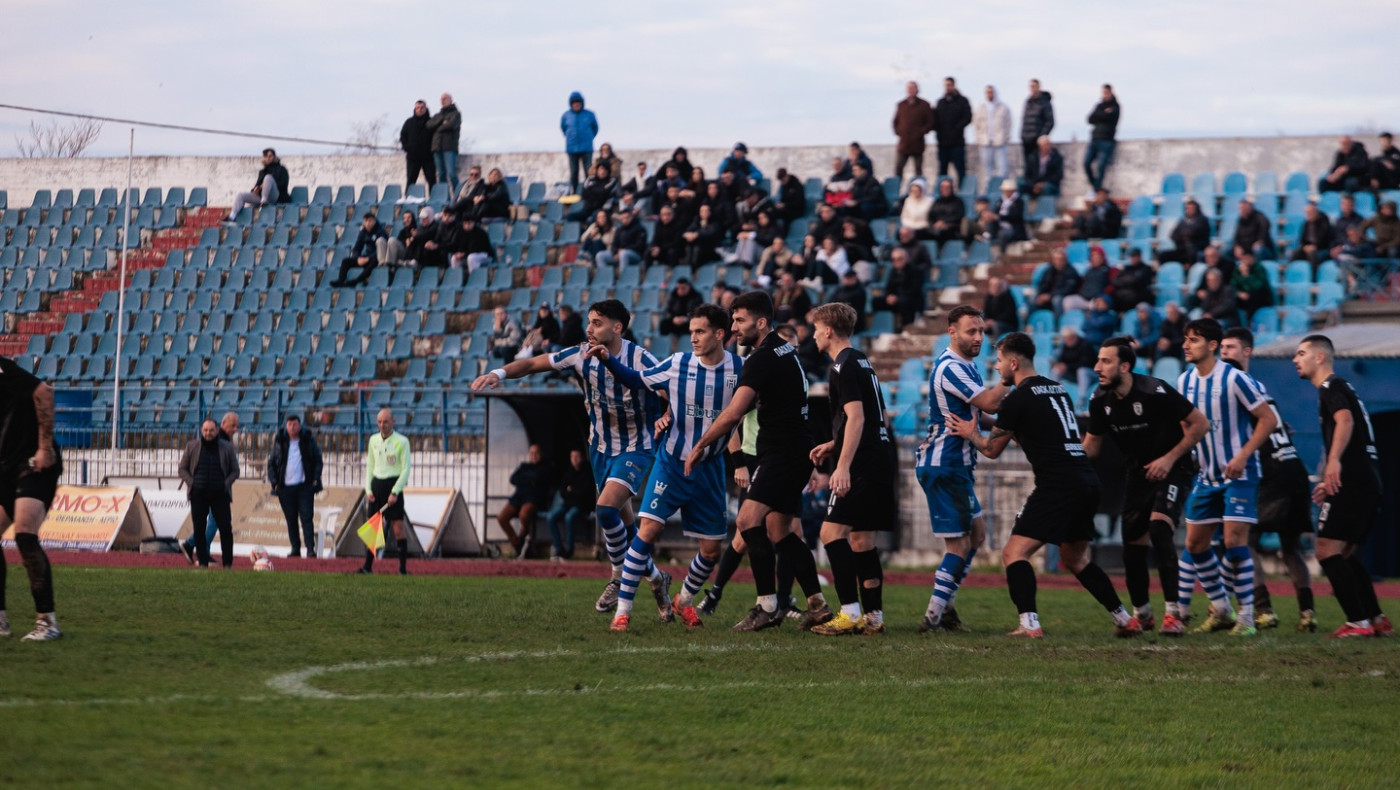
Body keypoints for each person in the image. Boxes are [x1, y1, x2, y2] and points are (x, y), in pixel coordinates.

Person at [471, 300, 670, 614]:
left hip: (636, 447)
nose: (589, 328)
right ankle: (658, 578)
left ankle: (618, 578)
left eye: (598, 323)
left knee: (605, 510)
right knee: (627, 527)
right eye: (589, 322)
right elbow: (535, 364)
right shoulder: (580, 354)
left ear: (617, 328)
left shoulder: (641, 359)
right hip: (601, 447)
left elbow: (668, 389)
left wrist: (667, 414)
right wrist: (499, 372)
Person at [948, 332, 1140, 638]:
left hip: (1058, 483)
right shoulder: (1057, 389)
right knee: (1074, 558)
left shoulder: (1017, 398)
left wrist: (970, 432)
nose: (997, 368)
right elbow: (1032, 431)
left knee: (1014, 553)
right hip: (1087, 480)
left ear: (1013, 362)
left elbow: (991, 450)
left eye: (999, 361)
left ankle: (1029, 623)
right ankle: (1124, 618)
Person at [589, 304, 744, 631]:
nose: (694, 338)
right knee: (648, 531)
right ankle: (623, 612)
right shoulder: (678, 363)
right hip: (671, 462)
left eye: (700, 332)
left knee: (712, 550)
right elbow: (636, 378)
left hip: (710, 468)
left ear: (720, 334)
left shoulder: (741, 370)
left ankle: (684, 599)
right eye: (691, 332)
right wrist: (608, 360)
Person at [685, 291, 832, 632]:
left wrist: (701, 445)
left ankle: (765, 605)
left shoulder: (763, 357)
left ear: (761, 322)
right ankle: (817, 603)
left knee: (748, 522)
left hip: (781, 453)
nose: (734, 328)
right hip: (793, 451)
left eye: (739, 320)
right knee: (780, 531)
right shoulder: (784, 349)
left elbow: (735, 412)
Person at [1085, 338, 1209, 635]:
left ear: (1125, 366)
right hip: (1138, 476)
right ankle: (1142, 614)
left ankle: (1174, 615)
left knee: (1160, 529)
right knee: (1132, 549)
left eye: (1105, 361)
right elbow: (1090, 447)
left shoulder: (1155, 391)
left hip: (1174, 469)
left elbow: (1201, 424)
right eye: (1098, 360)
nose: (1097, 367)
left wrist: (1168, 459)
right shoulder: (1100, 401)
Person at [1175, 318, 1277, 636]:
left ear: (1212, 345)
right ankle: (1221, 608)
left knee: (1234, 541)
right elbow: (1185, 420)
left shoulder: (1234, 379)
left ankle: (1247, 617)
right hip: (1207, 475)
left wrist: (1243, 454)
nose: (1185, 345)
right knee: (1195, 543)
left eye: (1192, 340)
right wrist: (1192, 450)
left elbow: (1268, 419)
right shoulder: (1184, 382)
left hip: (1241, 474)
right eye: (1185, 339)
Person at [915, 306, 1011, 632]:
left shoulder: (967, 367)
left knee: (977, 535)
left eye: (981, 331)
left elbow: (982, 414)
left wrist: (1009, 426)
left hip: (956, 464)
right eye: (971, 331)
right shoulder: (950, 367)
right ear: (951, 331)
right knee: (958, 545)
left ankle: (947, 607)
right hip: (945, 463)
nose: (978, 337)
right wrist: (1011, 377)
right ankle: (933, 616)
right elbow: (990, 402)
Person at [1293, 334, 1391, 638]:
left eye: (1301, 353)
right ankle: (1375, 619)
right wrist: (1330, 474)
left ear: (1320, 357)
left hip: (1354, 480)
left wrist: (1334, 463)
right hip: (1367, 480)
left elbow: (1345, 421)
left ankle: (1357, 621)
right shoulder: (1344, 387)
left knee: (1325, 550)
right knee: (1345, 552)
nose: (1295, 359)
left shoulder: (1331, 386)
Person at [1219, 329, 1317, 632]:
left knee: (1243, 541)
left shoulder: (1233, 386)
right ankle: (1308, 613)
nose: (1224, 353)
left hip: (1271, 472)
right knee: (1291, 547)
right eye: (1221, 348)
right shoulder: (1259, 387)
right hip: (1293, 467)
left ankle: (1263, 610)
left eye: (1230, 347)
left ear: (1247, 351)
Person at [805, 303, 895, 635]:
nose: (813, 335)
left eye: (816, 328)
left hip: (861, 461)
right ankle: (873, 616)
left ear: (828, 330)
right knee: (862, 540)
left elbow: (857, 417)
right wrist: (835, 443)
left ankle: (849, 613)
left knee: (831, 534)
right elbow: (877, 417)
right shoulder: (862, 361)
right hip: (878, 455)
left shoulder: (842, 366)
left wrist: (841, 465)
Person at [0, 355, 64, 640]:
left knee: (25, 534)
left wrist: (44, 447)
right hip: (5, 466)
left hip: (33, 463)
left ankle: (47, 622)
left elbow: (44, 392)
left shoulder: (2, 368)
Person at [355, 409, 412, 575]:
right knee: (373, 529)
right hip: (376, 486)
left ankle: (402, 570)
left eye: (385, 421)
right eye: (379, 422)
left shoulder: (402, 441)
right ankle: (367, 567)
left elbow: (405, 469)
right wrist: (368, 489)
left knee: (398, 528)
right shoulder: (373, 440)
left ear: (393, 421)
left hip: (393, 485)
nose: (382, 425)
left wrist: (395, 492)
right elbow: (370, 467)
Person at [178, 412, 240, 563]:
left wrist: (225, 485)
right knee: (199, 527)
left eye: (211, 430)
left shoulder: (226, 447)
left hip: (220, 495)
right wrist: (192, 483)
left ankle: (227, 563)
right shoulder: (192, 446)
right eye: (205, 430)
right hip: (198, 494)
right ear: (201, 430)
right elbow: (182, 469)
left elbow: (235, 470)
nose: (208, 433)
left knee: (225, 528)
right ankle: (202, 561)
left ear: (217, 430)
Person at [266, 414, 323, 559]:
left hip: (305, 486)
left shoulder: (308, 440)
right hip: (285, 487)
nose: (292, 427)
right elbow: (271, 463)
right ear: (286, 426)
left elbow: (318, 459)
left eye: (295, 424)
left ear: (300, 425)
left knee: (306, 518)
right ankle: (295, 548)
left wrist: (315, 478)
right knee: (291, 519)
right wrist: (274, 482)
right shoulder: (280, 441)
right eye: (289, 424)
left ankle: (310, 549)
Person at [497, 444, 553, 560]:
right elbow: (513, 479)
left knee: (524, 514)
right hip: (518, 498)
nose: (534, 456)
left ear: (540, 454)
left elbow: (538, 479)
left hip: (533, 499)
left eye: (536, 453)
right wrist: (529, 480)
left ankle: (522, 537)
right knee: (501, 517)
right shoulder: (524, 466)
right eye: (531, 453)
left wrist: (526, 479)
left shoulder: (545, 468)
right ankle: (517, 543)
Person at [546, 449, 594, 562]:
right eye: (572, 457)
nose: (574, 459)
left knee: (569, 517)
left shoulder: (587, 472)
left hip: (582, 506)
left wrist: (571, 490)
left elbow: (584, 492)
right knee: (550, 517)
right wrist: (572, 492)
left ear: (582, 458)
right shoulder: (568, 472)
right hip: (568, 504)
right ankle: (558, 547)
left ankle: (569, 550)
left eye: (577, 457)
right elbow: (563, 491)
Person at [225, 148, 290, 224]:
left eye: (270, 156)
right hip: (261, 196)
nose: (268, 158)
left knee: (268, 178)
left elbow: (283, 184)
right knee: (241, 195)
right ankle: (232, 217)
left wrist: (266, 185)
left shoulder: (282, 169)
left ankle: (264, 200)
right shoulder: (262, 172)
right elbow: (257, 185)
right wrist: (255, 189)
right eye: (266, 156)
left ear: (274, 157)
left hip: (276, 196)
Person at [892, 80, 936, 183]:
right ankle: (897, 190)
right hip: (904, 144)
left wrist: (920, 132)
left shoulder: (924, 105)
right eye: (909, 88)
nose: (911, 91)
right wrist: (899, 132)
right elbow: (895, 121)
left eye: (913, 88)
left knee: (918, 170)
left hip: (918, 144)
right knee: (898, 169)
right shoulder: (901, 105)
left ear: (917, 90)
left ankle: (919, 191)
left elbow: (930, 122)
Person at [330, 213, 389, 288]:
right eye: (366, 221)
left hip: (377, 257)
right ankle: (341, 281)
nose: (368, 223)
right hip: (366, 257)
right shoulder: (363, 232)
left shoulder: (381, 231)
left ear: (374, 221)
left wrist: (369, 258)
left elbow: (384, 248)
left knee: (374, 261)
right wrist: (358, 258)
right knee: (346, 261)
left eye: (370, 221)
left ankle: (357, 281)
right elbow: (357, 248)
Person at [933, 77, 972, 185]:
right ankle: (942, 196)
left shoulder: (963, 101)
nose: (948, 87)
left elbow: (967, 117)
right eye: (946, 85)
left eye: (950, 85)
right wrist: (939, 133)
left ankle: (962, 193)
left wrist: (956, 129)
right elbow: (935, 120)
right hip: (943, 143)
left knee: (960, 171)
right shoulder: (940, 102)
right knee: (942, 171)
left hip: (957, 143)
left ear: (954, 85)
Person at [561, 91, 598, 194]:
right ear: (571, 104)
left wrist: (589, 138)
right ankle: (575, 193)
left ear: (582, 103)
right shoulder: (566, 116)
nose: (576, 104)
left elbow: (595, 128)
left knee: (589, 172)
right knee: (574, 173)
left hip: (586, 148)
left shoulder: (589, 114)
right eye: (574, 102)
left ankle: (589, 192)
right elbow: (564, 129)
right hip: (572, 149)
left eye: (578, 102)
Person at [1084, 84, 1120, 191]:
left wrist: (1099, 116)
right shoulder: (1099, 106)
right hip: (1095, 139)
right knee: (1086, 163)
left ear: (1111, 92)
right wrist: (1103, 114)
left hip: (1107, 140)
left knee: (1101, 167)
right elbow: (1090, 119)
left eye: (1106, 93)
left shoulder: (1115, 106)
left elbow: (1112, 118)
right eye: (1103, 93)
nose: (1104, 95)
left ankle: (1096, 190)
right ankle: (1095, 187)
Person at [973, 84, 1013, 182]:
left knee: (1002, 168)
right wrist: (978, 138)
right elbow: (976, 124)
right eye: (988, 92)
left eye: (991, 92)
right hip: (985, 142)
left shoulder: (1003, 107)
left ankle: (1000, 190)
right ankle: (988, 191)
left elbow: (1008, 123)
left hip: (999, 142)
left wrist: (1006, 137)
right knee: (987, 170)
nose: (990, 94)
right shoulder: (980, 107)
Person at [877, 247, 924, 327]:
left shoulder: (915, 270)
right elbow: (889, 287)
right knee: (877, 301)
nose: (896, 262)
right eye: (893, 259)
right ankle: (884, 325)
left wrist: (897, 297)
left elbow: (914, 289)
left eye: (899, 259)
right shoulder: (893, 271)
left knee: (904, 302)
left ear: (906, 259)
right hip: (896, 299)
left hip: (910, 299)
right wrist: (889, 296)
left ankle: (906, 326)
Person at [426, 93, 462, 197]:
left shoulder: (456, 114)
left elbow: (451, 125)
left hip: (449, 148)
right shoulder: (439, 115)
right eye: (441, 99)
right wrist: (442, 122)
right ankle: (444, 196)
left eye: (445, 98)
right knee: (441, 174)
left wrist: (438, 127)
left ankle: (457, 195)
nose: (443, 100)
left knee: (451, 174)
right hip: (437, 148)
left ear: (451, 100)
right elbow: (429, 125)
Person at [1062, 244, 1116, 312]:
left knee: (1099, 304)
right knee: (1068, 301)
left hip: (1096, 299)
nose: (1094, 258)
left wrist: (1103, 295)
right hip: (1083, 297)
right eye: (1093, 256)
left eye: (1097, 256)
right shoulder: (1088, 270)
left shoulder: (1109, 270)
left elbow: (1112, 285)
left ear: (1102, 258)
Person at [1160, 199, 1211, 264]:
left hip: (1196, 249)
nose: (1189, 210)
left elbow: (1192, 233)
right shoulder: (1182, 221)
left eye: (1192, 208)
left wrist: (1184, 235)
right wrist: (1184, 236)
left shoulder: (1203, 220)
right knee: (1164, 255)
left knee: (1191, 251)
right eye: (1187, 208)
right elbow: (1173, 235)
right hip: (1182, 249)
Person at [1020, 79, 1055, 175]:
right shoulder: (1028, 101)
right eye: (1030, 87)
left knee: (1038, 167)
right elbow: (1025, 119)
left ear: (1039, 87)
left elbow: (1050, 121)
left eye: (1034, 86)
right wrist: (1023, 135)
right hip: (1026, 139)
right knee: (1028, 166)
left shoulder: (1045, 102)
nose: (1032, 89)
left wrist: (1042, 136)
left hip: (1037, 140)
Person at [399, 99, 436, 189]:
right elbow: (403, 136)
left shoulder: (431, 122)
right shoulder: (409, 122)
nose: (419, 110)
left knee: (432, 180)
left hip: (428, 157)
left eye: (422, 108)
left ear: (425, 109)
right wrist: (407, 148)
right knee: (411, 181)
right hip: (413, 157)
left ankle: (433, 201)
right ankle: (408, 200)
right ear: (415, 109)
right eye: (417, 108)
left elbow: (436, 137)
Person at [1035, 249, 1082, 314]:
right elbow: (1042, 283)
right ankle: (1029, 322)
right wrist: (1041, 294)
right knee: (1033, 297)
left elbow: (1068, 289)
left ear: (1065, 260)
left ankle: (1058, 322)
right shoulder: (1048, 270)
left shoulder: (1071, 272)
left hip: (1062, 296)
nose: (1058, 262)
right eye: (1056, 259)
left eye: (1061, 259)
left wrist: (1050, 296)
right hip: (1048, 296)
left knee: (1056, 300)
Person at [1052, 326, 1096, 395]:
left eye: (1069, 338)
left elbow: (1085, 363)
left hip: (1089, 373)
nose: (1067, 340)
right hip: (1072, 373)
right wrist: (1059, 365)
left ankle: (1082, 399)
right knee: (1056, 370)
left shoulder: (1085, 345)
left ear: (1075, 337)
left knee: (1082, 371)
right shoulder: (1065, 345)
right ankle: (1053, 393)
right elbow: (1062, 360)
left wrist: (1067, 367)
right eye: (1066, 339)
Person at [1230, 251, 1273, 318]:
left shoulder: (1259, 268)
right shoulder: (1238, 269)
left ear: (1253, 258)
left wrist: (1246, 276)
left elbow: (1258, 286)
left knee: (1253, 296)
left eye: (1247, 258)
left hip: (1260, 296)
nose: (1245, 261)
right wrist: (1238, 293)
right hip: (1242, 296)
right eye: (1243, 259)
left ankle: (1251, 322)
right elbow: (1233, 285)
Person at [1290, 201, 1334, 267]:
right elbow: (1302, 239)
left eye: (1310, 213)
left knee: (1312, 255)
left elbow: (1323, 239)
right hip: (1308, 248)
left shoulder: (1324, 222)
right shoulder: (1306, 223)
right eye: (1307, 213)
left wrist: (1314, 247)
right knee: (1295, 253)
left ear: (1316, 212)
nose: (1308, 215)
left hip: (1322, 249)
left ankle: (1312, 276)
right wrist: (1305, 247)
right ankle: (1290, 273)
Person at [1112, 248, 1155, 313]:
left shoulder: (1146, 268)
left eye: (1135, 256)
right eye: (1131, 256)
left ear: (1140, 257)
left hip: (1140, 294)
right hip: (1126, 293)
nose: (1133, 258)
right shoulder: (1127, 268)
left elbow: (1139, 282)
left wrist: (1126, 280)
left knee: (1130, 297)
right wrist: (1129, 280)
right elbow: (1116, 281)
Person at [929, 178, 967, 246]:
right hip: (937, 226)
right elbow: (931, 215)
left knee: (942, 232)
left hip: (953, 227)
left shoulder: (958, 201)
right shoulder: (937, 201)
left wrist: (944, 222)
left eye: (948, 187)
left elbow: (959, 216)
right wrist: (935, 223)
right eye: (943, 187)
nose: (945, 189)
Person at [992, 179, 1028, 249]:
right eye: (1005, 190)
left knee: (1003, 234)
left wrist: (999, 217)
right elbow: (995, 212)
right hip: (1000, 226)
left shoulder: (1019, 202)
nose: (1006, 193)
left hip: (1012, 228)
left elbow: (1015, 216)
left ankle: (1002, 253)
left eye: (1009, 191)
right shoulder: (1000, 201)